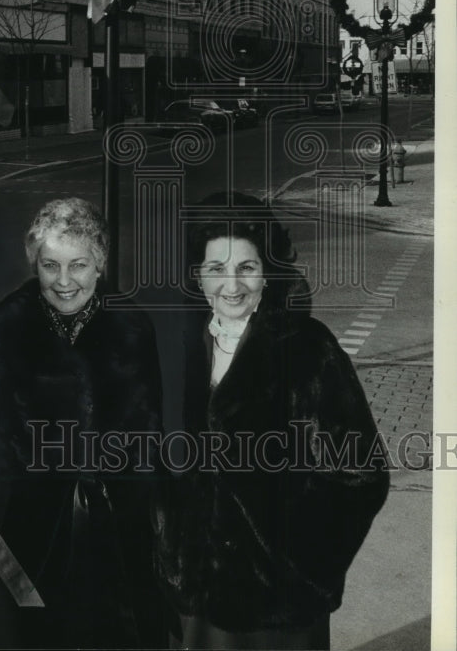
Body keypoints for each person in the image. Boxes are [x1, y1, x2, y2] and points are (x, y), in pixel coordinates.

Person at [153, 191, 389, 650]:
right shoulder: (182, 348)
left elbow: (363, 474)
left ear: (268, 273)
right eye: (216, 269)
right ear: (197, 276)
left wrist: (294, 560)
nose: (232, 285)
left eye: (246, 267)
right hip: (199, 598)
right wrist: (172, 542)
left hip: (279, 606)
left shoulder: (306, 349)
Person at [0, 197, 170, 649]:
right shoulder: (3, 330)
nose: (64, 280)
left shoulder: (132, 327)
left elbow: (149, 433)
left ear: (100, 265)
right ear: (34, 265)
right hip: (29, 533)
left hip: (118, 529)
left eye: (78, 265)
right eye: (50, 265)